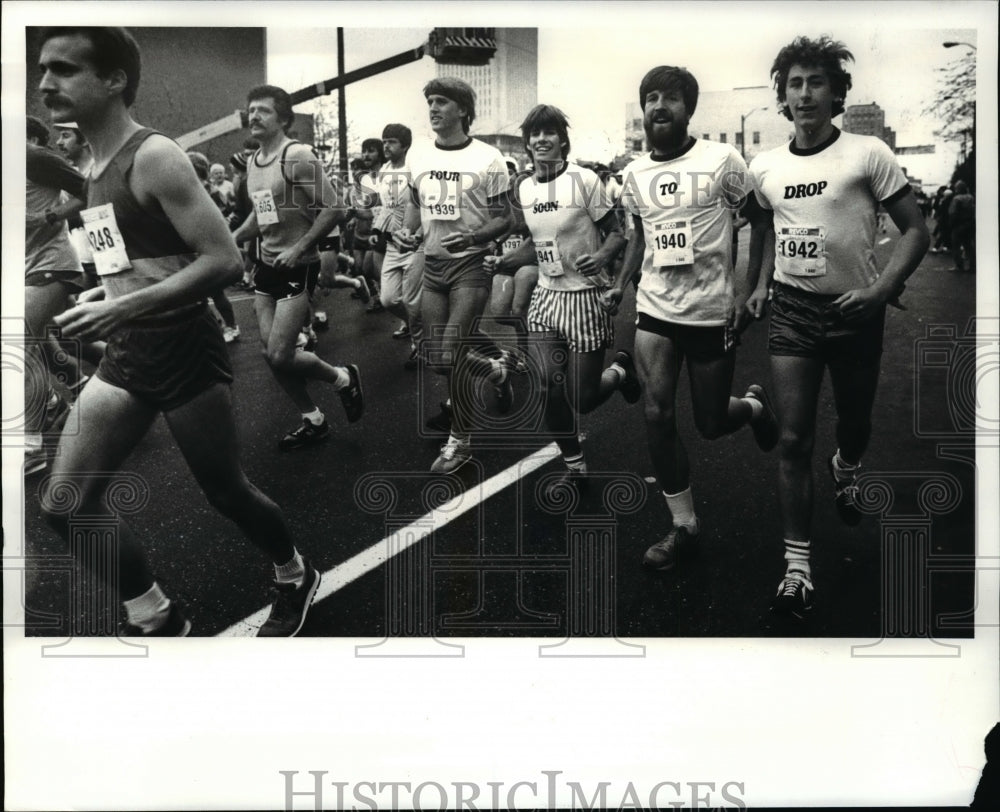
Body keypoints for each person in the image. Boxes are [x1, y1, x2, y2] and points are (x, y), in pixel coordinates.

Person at [37, 26, 320, 636]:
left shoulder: (155, 155)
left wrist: (122, 309)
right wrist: (107, 294)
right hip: (128, 353)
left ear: (114, 80)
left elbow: (224, 262)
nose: (44, 82)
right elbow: (131, 261)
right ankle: (157, 616)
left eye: (63, 69)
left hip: (183, 350)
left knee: (227, 493)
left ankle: (295, 573)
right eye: (42, 69)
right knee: (65, 504)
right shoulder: (91, 163)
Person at [746, 36, 930, 616]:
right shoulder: (766, 166)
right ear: (783, 96)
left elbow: (916, 231)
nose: (805, 94)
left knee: (854, 420)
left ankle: (847, 466)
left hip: (856, 310)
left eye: (816, 82)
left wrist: (880, 291)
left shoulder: (868, 153)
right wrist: (757, 286)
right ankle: (797, 569)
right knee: (795, 438)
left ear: (836, 93)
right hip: (795, 310)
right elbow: (768, 230)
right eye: (795, 84)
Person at [605, 65, 779, 571]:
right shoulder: (634, 173)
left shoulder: (721, 159)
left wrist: (755, 285)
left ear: (689, 109)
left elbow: (761, 219)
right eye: (651, 98)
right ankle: (683, 525)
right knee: (656, 415)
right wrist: (622, 282)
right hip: (655, 307)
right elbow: (639, 234)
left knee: (709, 422)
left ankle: (751, 408)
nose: (659, 106)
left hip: (710, 310)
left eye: (671, 98)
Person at [486, 104, 639, 494]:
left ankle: (620, 373)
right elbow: (536, 248)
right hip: (547, 297)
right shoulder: (524, 187)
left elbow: (618, 233)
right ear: (527, 143)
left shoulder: (584, 180)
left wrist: (602, 256)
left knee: (583, 399)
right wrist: (505, 260)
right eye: (534, 134)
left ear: (562, 140)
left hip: (586, 297)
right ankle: (575, 464)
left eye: (548, 132)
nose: (541, 140)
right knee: (545, 387)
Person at [234, 84, 364, 451]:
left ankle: (342, 378)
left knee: (279, 352)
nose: (254, 116)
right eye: (251, 110)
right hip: (267, 265)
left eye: (263, 110)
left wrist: (300, 247)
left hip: (299, 265)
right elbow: (262, 217)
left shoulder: (298, 155)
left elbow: (334, 208)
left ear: (284, 119)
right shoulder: (253, 162)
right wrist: (229, 240)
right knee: (271, 354)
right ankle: (313, 419)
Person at [395, 77, 514, 472]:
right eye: (429, 101)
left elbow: (506, 218)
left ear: (463, 110)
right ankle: (496, 371)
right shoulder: (418, 155)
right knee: (440, 359)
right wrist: (408, 228)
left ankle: (460, 442)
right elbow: (415, 203)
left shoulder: (488, 158)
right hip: (432, 264)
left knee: (452, 351)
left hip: (470, 265)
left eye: (442, 101)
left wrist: (474, 236)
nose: (433, 108)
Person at [24, 115, 89, 475]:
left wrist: (55, 214)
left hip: (54, 264)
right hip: (26, 267)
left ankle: (31, 448)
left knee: (19, 340)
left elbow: (91, 189)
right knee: (44, 341)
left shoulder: (34, 157)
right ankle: (63, 401)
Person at [372, 123, 424, 369]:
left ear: (404, 145)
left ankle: (419, 343)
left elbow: (422, 205)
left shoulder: (416, 170)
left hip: (415, 243)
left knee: (413, 301)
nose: (386, 147)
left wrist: (419, 234)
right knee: (389, 299)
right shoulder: (383, 171)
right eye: (384, 142)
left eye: (391, 142)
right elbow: (385, 206)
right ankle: (418, 327)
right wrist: (377, 230)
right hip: (393, 242)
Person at [187, 150, 241, 343]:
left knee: (216, 292)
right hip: (194, 245)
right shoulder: (186, 189)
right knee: (195, 293)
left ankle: (232, 325)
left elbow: (229, 212)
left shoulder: (211, 191)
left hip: (209, 246)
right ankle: (215, 324)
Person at [947, 179, 975, 273]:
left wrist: (951, 225)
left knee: (956, 246)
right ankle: (972, 266)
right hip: (969, 224)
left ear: (958, 189)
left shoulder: (957, 199)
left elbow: (953, 213)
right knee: (968, 246)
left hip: (958, 225)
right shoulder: (970, 197)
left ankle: (959, 266)